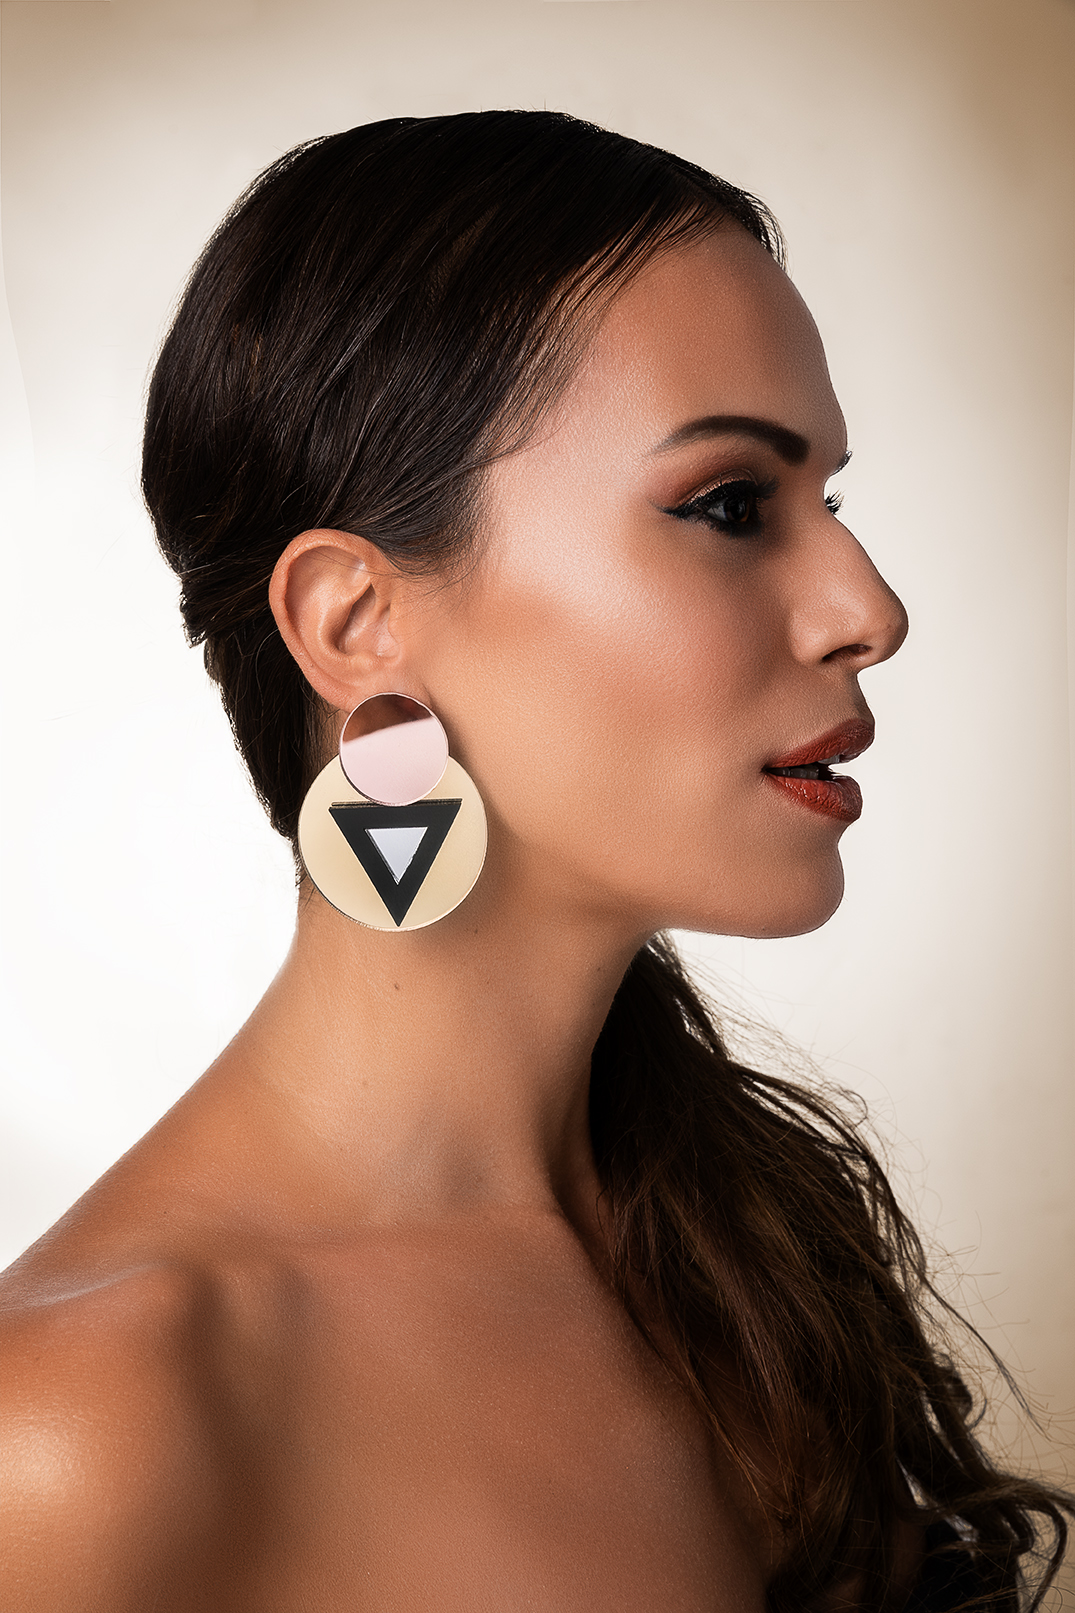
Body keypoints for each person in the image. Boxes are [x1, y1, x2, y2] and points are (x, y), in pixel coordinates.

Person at [0, 111, 1069, 1612]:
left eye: (829, 500)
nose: (867, 608)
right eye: (731, 505)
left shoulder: (743, 1251)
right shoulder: (76, 1433)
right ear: (357, 623)